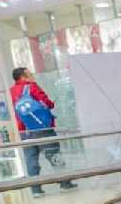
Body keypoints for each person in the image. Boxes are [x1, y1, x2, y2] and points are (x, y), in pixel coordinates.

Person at [9, 68, 77, 197]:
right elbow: (45, 102)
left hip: (24, 131)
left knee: (31, 159)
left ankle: (36, 190)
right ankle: (65, 183)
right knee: (54, 155)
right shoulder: (31, 86)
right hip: (42, 128)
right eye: (29, 73)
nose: (32, 75)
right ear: (23, 76)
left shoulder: (11, 91)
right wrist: (51, 104)